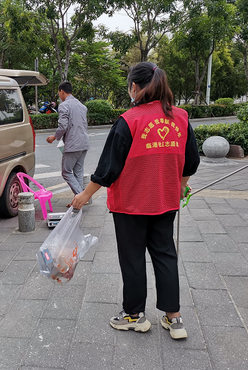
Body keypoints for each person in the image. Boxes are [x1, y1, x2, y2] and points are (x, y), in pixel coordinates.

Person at [71, 62, 200, 340]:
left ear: (134, 87)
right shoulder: (180, 117)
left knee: (132, 258)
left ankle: (133, 315)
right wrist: (181, 186)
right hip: (165, 201)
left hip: (131, 204)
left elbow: (108, 168)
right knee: (165, 254)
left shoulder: (129, 120)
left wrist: (85, 195)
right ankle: (174, 318)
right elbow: (191, 161)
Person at [46, 82, 89, 196]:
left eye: (58, 93)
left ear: (62, 91)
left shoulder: (64, 105)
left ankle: (81, 197)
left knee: (66, 172)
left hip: (73, 144)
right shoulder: (81, 106)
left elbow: (63, 126)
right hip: (84, 143)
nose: (59, 95)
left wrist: (55, 137)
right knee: (78, 173)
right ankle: (78, 200)